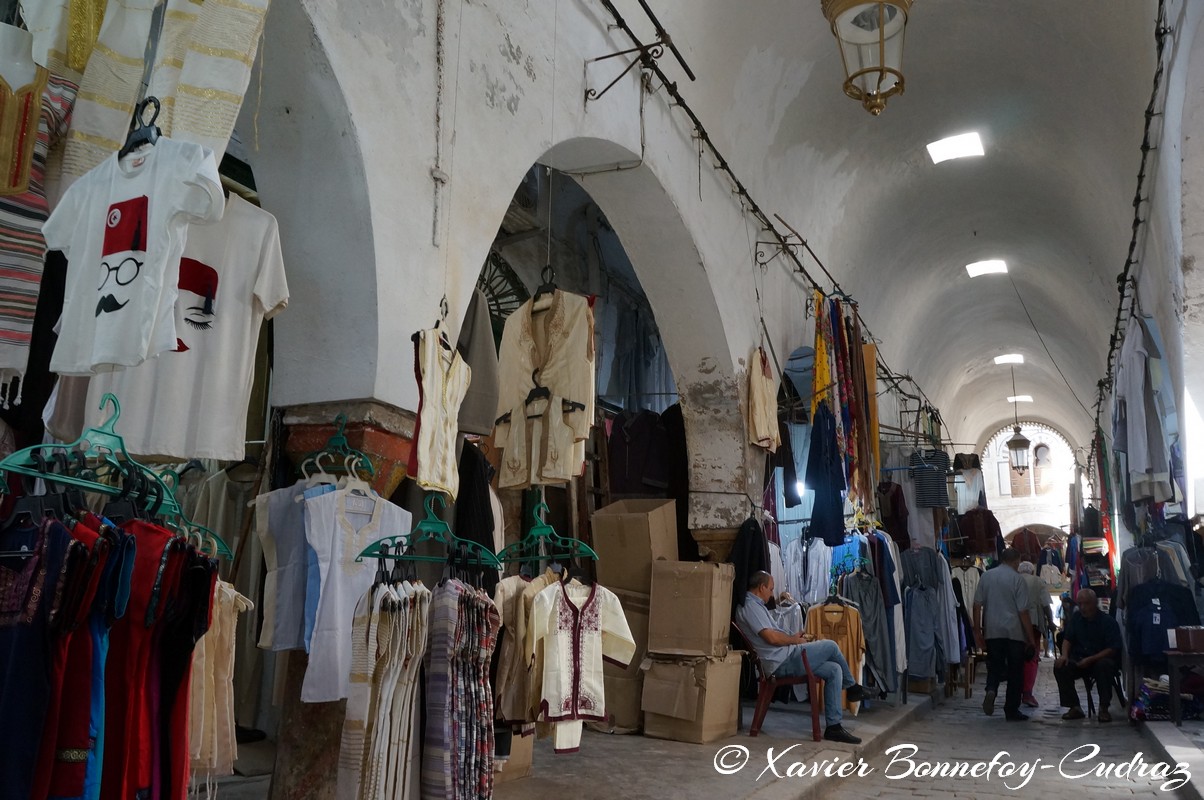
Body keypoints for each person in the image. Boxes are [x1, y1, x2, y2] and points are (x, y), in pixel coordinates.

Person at [734, 571, 867, 744]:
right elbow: (771, 638)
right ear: (762, 587)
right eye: (771, 589)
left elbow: (773, 634)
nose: (772, 594)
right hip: (780, 661)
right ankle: (852, 688)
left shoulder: (755, 605)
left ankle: (834, 727)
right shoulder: (750, 606)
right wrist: (794, 640)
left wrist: (793, 637)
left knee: (834, 669)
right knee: (831, 646)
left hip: (785, 656)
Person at [972, 547, 1037, 721]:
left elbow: (977, 605)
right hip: (1014, 632)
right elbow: (1023, 611)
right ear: (1016, 561)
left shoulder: (986, 576)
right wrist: (1031, 639)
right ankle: (1011, 710)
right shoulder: (1017, 579)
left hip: (992, 631)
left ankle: (991, 689)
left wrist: (977, 631)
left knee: (994, 665)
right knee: (1016, 671)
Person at [1054, 588, 1123, 722]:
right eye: (1080, 604)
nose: (1083, 607)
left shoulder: (1107, 622)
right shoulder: (1077, 619)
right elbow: (1068, 639)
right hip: (1080, 659)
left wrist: (1092, 659)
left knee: (1104, 666)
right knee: (1061, 667)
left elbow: (1112, 648)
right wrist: (1064, 655)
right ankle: (1074, 706)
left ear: (1094, 603)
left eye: (1086, 604)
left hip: (1099, 659)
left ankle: (1103, 707)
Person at [1017, 561, 1048, 708]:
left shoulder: (1013, 580)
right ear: (1032, 570)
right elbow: (1045, 603)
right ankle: (1027, 693)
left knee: (1017, 656)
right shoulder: (1037, 581)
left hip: (1015, 624)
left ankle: (1016, 690)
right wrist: (1051, 622)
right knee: (1031, 657)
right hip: (1033, 623)